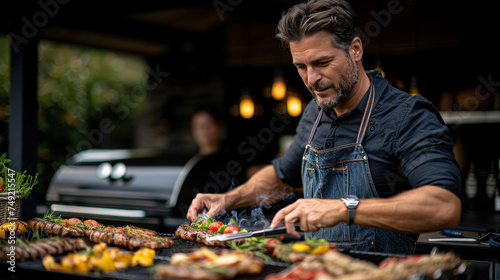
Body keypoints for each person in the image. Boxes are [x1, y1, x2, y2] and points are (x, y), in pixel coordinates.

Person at [187, 0, 464, 254]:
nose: (312, 79)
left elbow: (444, 206)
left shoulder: (407, 115)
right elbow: (282, 176)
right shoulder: (315, 112)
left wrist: (343, 209)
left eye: (322, 62)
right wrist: (227, 199)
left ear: (355, 49)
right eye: (301, 66)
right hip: (318, 269)